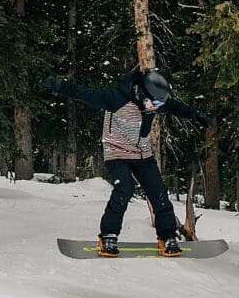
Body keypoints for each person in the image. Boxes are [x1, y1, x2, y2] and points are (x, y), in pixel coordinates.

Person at [40, 68, 213, 257]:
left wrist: (197, 115)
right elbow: (82, 93)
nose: (156, 106)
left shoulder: (155, 102)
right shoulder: (115, 99)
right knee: (124, 189)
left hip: (142, 154)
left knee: (158, 193)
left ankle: (167, 237)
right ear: (141, 92)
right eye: (153, 102)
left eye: (159, 103)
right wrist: (57, 84)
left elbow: (174, 107)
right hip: (117, 152)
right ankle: (108, 235)